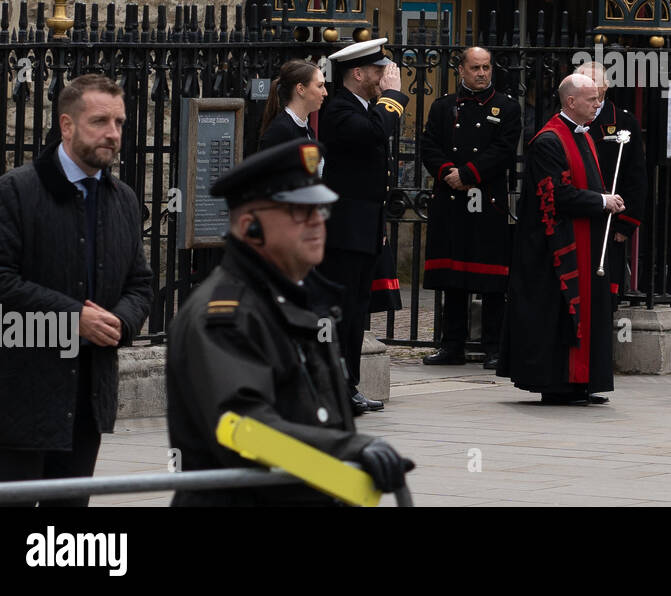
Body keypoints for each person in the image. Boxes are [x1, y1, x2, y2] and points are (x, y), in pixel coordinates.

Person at [166, 140, 409, 505]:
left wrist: (346, 483)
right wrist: (348, 451)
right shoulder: (227, 315)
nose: (316, 222)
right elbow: (244, 431)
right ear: (250, 227)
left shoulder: (298, 298)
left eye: (320, 210)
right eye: (298, 211)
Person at [0, 74, 153, 506]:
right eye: (99, 122)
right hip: (19, 394)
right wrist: (72, 318)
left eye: (119, 122)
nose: (112, 134)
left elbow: (140, 282)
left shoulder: (124, 199)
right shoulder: (16, 191)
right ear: (67, 126)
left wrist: (120, 321)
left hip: (87, 395)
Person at [498, 73, 625, 405]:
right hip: (556, 249)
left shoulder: (582, 135)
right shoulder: (549, 140)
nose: (599, 105)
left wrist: (606, 199)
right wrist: (601, 201)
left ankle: (582, 381)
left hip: (586, 239)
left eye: (599, 99)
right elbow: (556, 195)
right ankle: (558, 384)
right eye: (592, 99)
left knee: (590, 311)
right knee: (557, 316)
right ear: (571, 101)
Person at [318, 37, 409, 415]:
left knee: (356, 313)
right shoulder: (340, 109)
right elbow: (375, 132)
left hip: (363, 228)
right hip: (343, 231)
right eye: (376, 71)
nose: (381, 77)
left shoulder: (362, 107)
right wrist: (395, 96)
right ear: (357, 73)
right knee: (342, 312)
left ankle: (348, 385)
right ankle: (335, 387)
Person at [420, 47, 521, 369]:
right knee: (453, 279)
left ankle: (494, 346)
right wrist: (449, 173)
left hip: (487, 200)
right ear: (461, 69)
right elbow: (429, 145)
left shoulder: (507, 107)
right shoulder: (443, 106)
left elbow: (503, 151)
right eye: (475, 67)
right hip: (450, 200)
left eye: (486, 67)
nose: (482, 73)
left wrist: (469, 175)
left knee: (492, 280)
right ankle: (452, 345)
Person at [576, 61, 647, 302]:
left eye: (595, 81)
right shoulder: (568, 119)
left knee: (603, 295)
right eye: (583, 81)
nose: (590, 87)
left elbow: (635, 177)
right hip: (574, 215)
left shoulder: (625, 123)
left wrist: (626, 224)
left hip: (609, 221)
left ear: (606, 86)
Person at [258, 59, 326, 150]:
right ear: (301, 89)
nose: (325, 92)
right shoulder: (280, 131)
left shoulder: (307, 129)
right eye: (320, 86)